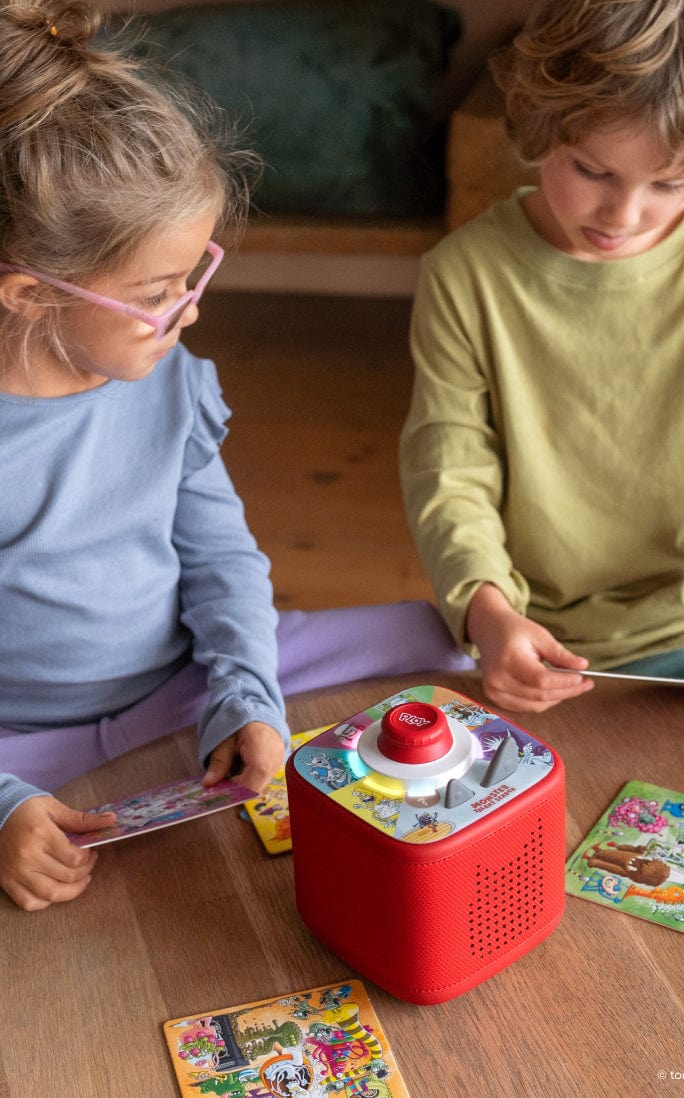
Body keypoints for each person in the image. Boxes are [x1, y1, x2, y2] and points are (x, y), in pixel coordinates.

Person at [0, 1, 473, 911]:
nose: (190, 310)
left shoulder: (167, 376)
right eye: (156, 292)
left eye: (194, 276)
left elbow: (221, 556)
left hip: (178, 687)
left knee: (438, 649)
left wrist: (247, 696)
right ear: (30, 293)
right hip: (19, 739)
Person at [399, 0, 684, 717]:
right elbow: (450, 466)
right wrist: (485, 607)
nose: (623, 215)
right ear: (539, 123)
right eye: (593, 170)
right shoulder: (464, 275)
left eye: (667, 184)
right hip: (529, 635)